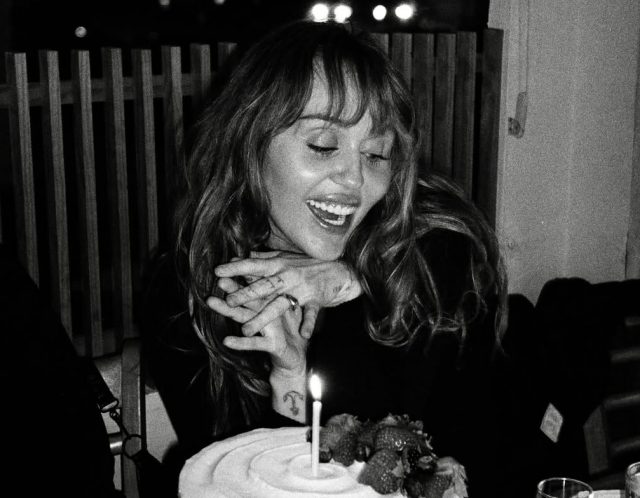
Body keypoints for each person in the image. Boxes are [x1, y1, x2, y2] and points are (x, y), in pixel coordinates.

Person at [142, 19, 512, 496]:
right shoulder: (186, 288)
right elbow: (230, 480)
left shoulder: (432, 255)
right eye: (323, 146)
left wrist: (352, 278)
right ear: (248, 143)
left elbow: (465, 452)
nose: (354, 180)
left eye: (376, 155)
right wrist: (288, 378)